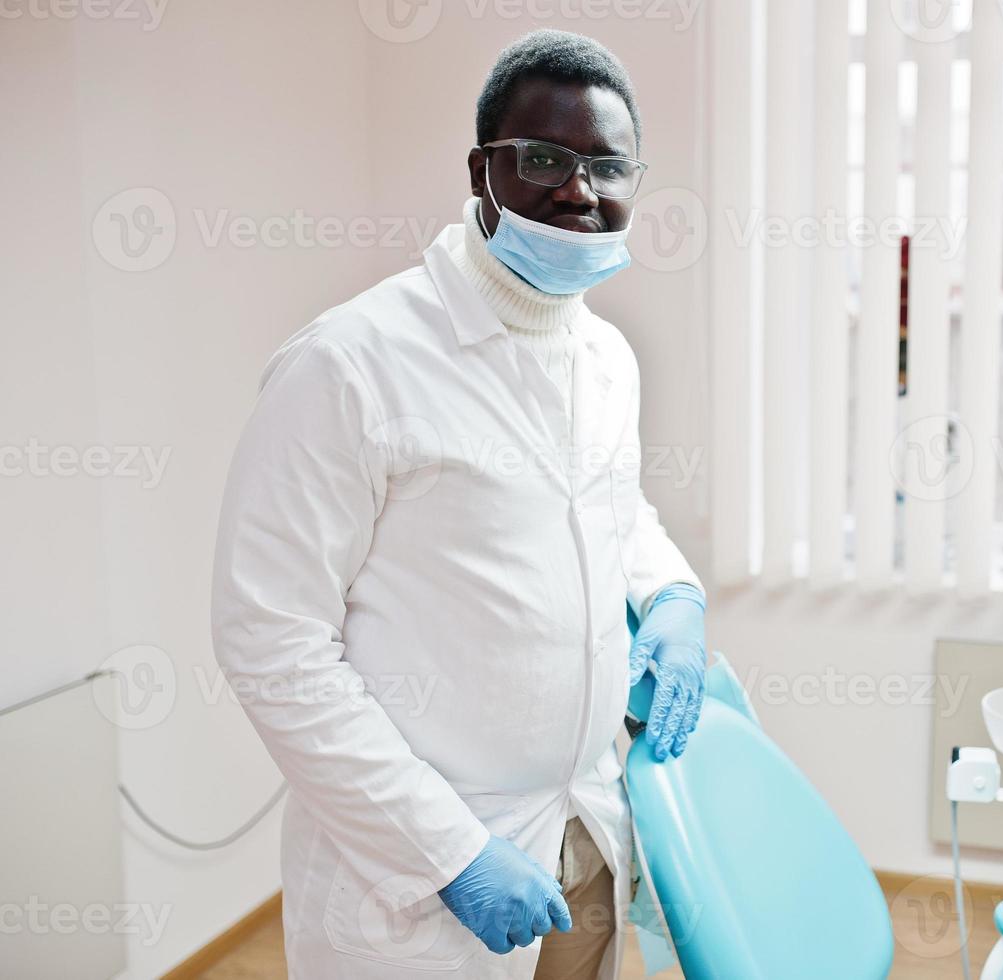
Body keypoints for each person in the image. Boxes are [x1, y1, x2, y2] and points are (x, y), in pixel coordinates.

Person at [210, 29, 706, 980]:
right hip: (426, 865)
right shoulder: (351, 364)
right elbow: (268, 640)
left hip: (584, 830)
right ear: (482, 171)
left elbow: (610, 512)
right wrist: (450, 854)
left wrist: (674, 597)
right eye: (543, 159)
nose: (577, 189)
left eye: (606, 166)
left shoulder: (606, 358)